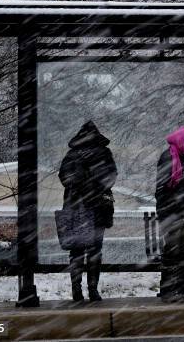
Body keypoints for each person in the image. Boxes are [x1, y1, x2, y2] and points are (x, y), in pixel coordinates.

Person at [59, 120, 117, 302]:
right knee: (95, 251)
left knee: (76, 252)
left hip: (77, 208)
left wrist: (82, 185)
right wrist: (94, 185)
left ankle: (77, 291)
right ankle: (93, 290)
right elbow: (110, 177)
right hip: (98, 207)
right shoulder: (104, 153)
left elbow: (65, 178)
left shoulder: (72, 155)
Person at [155, 126, 184, 302]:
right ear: (183, 141)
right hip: (173, 215)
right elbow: (163, 190)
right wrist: (171, 212)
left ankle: (182, 285)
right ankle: (167, 288)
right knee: (172, 252)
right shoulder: (169, 158)